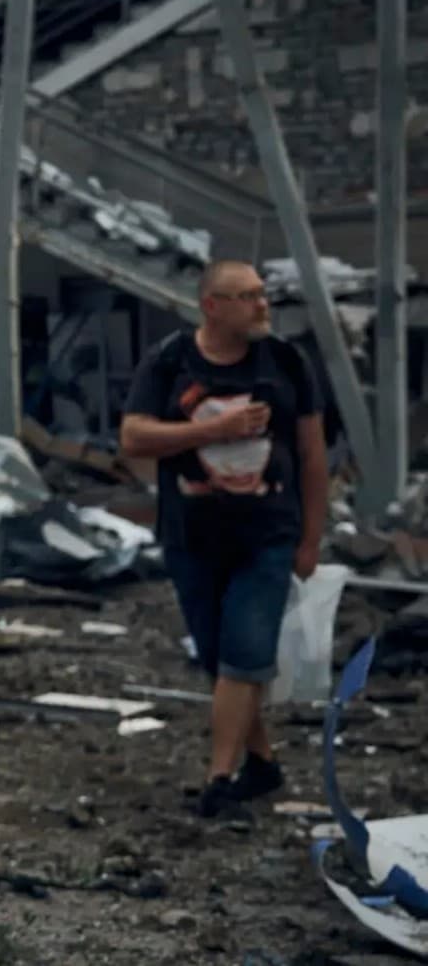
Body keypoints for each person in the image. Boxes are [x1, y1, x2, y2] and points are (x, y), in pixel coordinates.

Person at [120, 259, 329, 819]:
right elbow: (134, 436)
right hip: (192, 537)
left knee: (245, 652)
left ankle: (220, 778)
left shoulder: (286, 363)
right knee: (219, 657)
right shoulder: (169, 362)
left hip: (267, 535)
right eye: (247, 297)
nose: (262, 306)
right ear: (212, 306)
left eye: (263, 295)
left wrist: (311, 538)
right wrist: (213, 430)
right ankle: (263, 764)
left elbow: (312, 454)